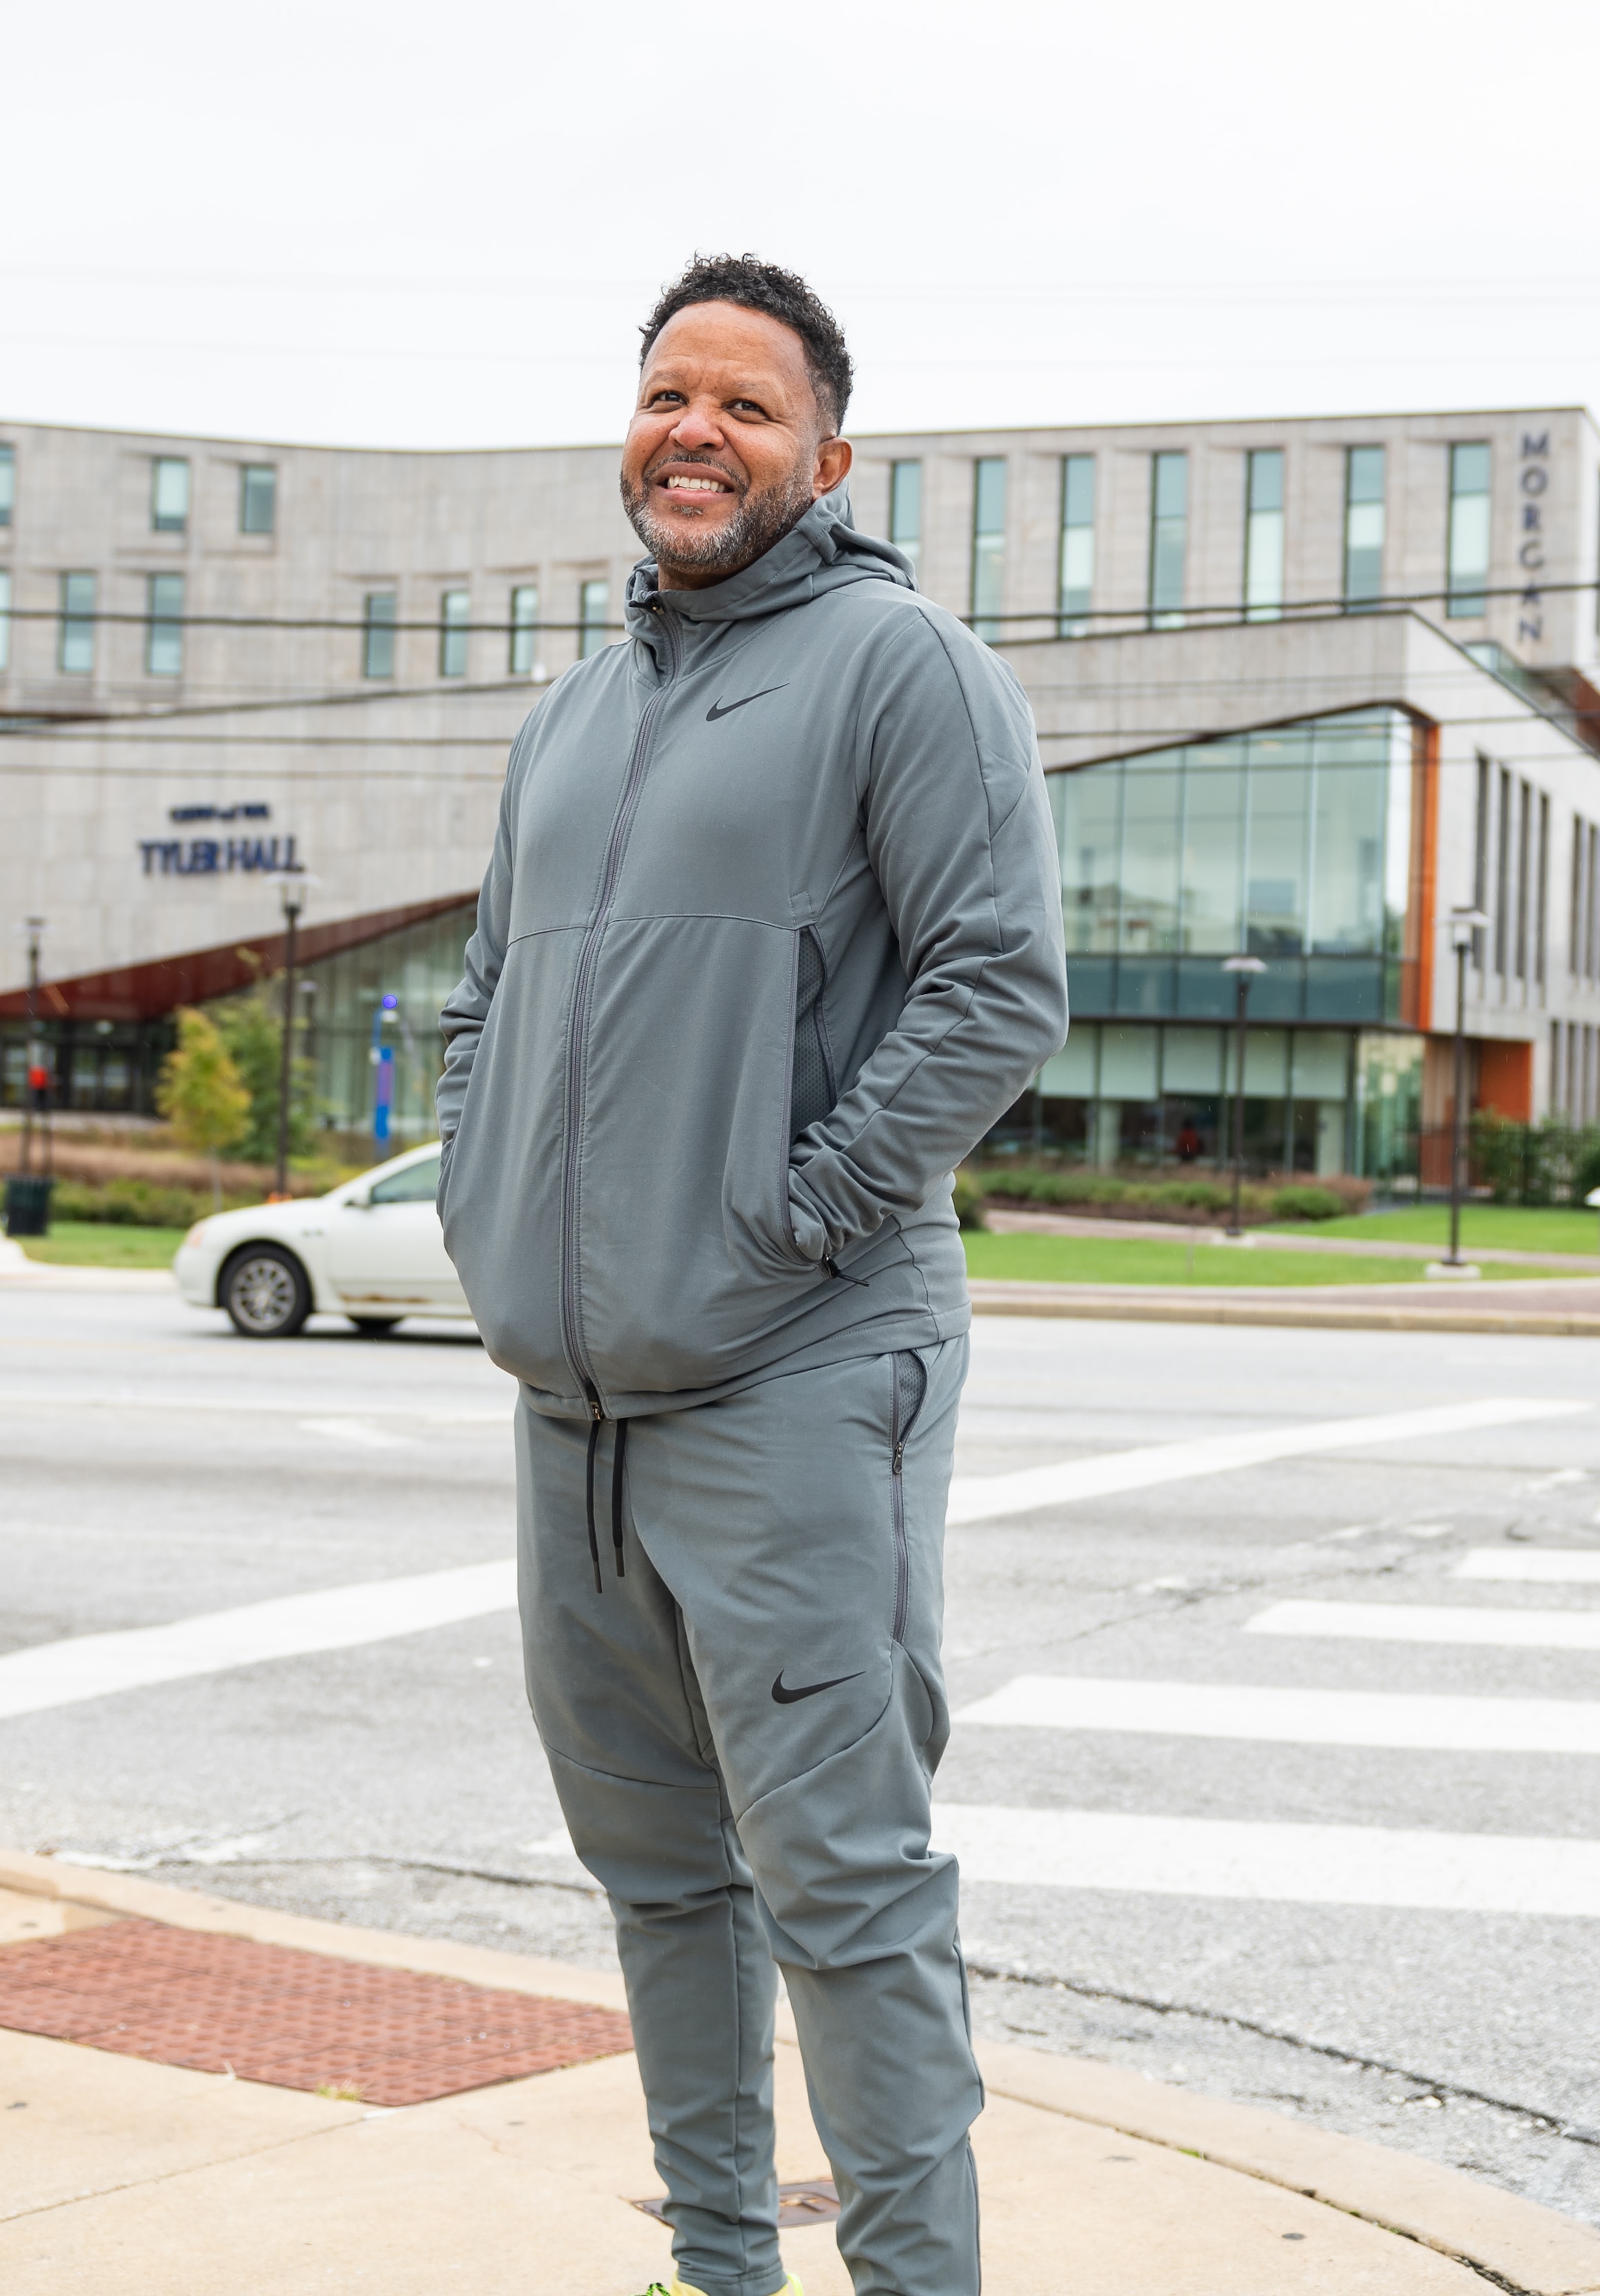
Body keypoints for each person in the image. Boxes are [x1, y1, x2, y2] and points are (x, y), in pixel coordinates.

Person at [435, 254, 1068, 2296]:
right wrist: (476, 1201)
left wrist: (794, 1216)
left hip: (799, 1376)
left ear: (825, 454)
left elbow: (995, 989)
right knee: (656, 1887)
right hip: (577, 1412)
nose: (692, 430)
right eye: (663, 394)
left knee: (847, 1893)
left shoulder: (899, 668)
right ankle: (717, 2270)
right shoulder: (571, 711)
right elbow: (477, 1003)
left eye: (745, 405)